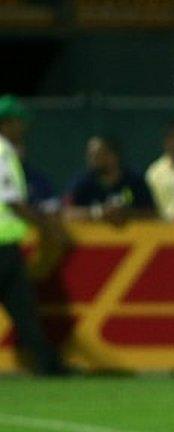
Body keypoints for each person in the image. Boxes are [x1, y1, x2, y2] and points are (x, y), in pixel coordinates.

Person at [0, 104, 68, 376]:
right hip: (3, 248)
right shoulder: (3, 151)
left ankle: (49, 365)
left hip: (8, 248)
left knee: (24, 309)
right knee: (24, 310)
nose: (23, 128)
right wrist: (47, 226)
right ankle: (49, 365)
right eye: (19, 121)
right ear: (6, 122)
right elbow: (13, 202)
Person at [63, 135, 156, 226]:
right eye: (90, 155)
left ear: (113, 156)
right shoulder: (82, 182)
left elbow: (153, 214)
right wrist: (100, 212)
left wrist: (127, 213)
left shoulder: (134, 181)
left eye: (98, 155)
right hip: (94, 239)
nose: (92, 159)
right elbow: (66, 213)